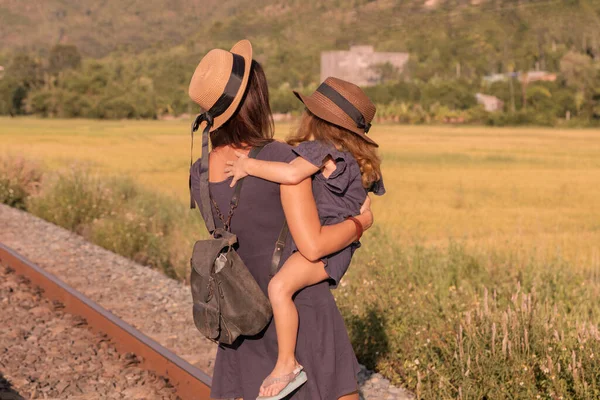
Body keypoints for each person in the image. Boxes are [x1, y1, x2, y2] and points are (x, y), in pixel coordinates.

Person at [188, 40, 373, 400]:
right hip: (302, 314)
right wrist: (360, 225)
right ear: (257, 101)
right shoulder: (281, 159)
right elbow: (313, 244)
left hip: (242, 315)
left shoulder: (199, 171)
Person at [224, 77, 385, 398]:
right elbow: (362, 202)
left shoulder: (319, 152)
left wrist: (248, 165)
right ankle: (292, 361)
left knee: (279, 287)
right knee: (284, 287)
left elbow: (291, 174)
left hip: (323, 246)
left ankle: (287, 363)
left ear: (315, 118)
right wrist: (362, 220)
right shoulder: (351, 161)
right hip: (340, 249)